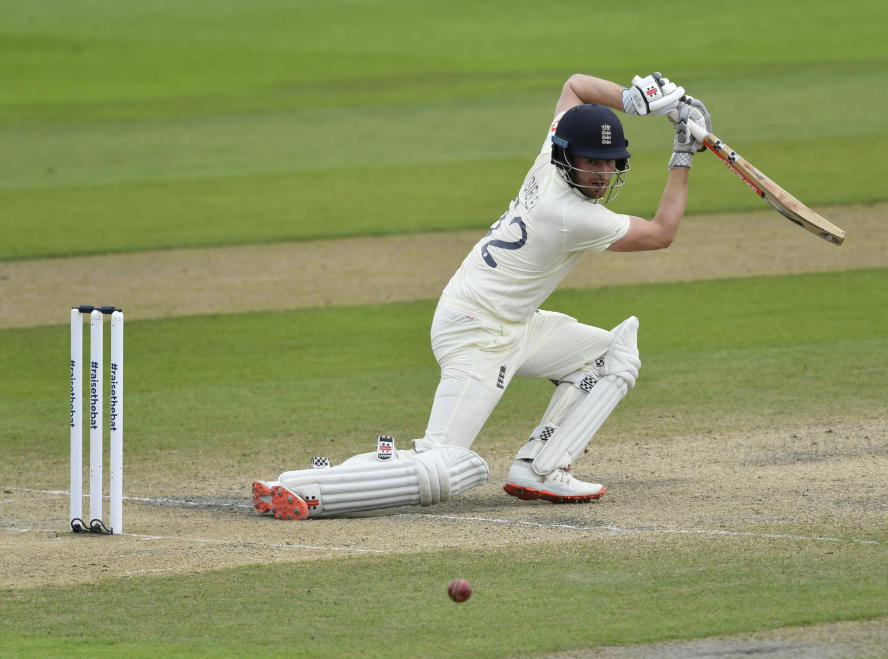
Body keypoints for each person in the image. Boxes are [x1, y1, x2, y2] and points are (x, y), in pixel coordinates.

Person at [253, 72, 710, 519]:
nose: (604, 173)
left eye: (611, 162)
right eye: (594, 162)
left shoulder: (548, 160)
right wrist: (683, 154)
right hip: (476, 331)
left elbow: (575, 85)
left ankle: (542, 468)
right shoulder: (570, 214)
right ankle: (304, 488)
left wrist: (631, 100)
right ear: (568, 158)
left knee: (611, 357)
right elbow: (662, 234)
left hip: (514, 324)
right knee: (446, 463)